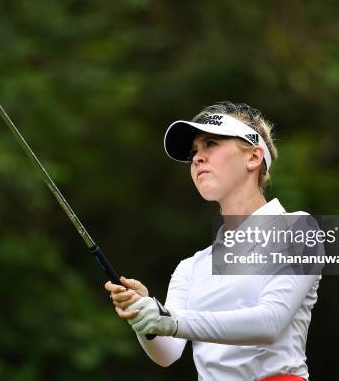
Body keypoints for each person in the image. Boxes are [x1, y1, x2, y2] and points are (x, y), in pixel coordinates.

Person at [105, 101, 321, 381]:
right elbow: (167, 352)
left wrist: (170, 319)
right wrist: (143, 315)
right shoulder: (192, 266)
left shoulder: (297, 228)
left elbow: (271, 322)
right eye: (194, 152)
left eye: (210, 144)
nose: (197, 158)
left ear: (254, 157)